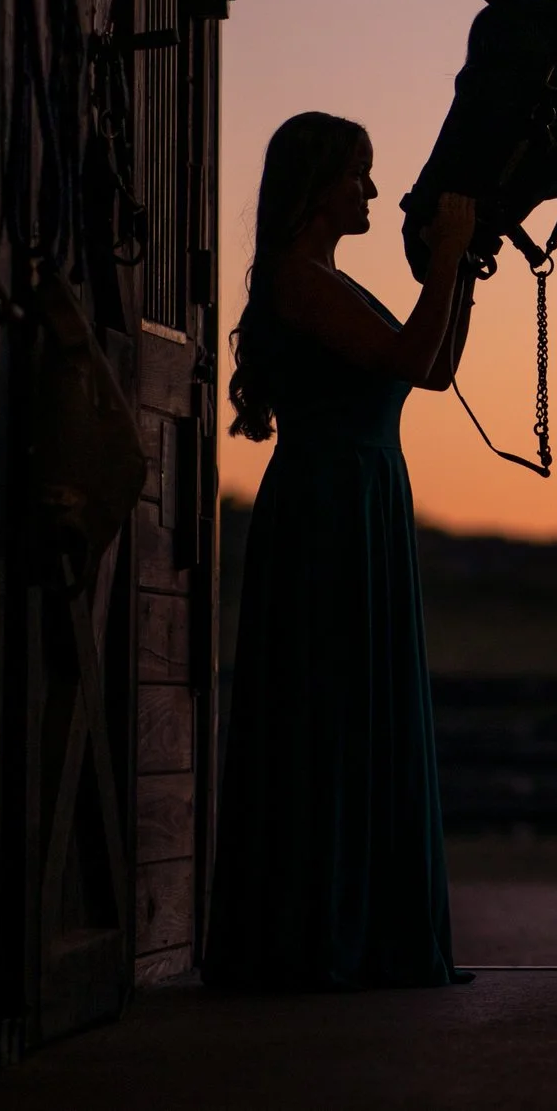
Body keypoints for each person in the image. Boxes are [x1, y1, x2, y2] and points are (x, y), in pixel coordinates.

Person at [204, 111, 481, 990]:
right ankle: (319, 932)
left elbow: (431, 369)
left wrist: (461, 267)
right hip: (328, 509)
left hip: (363, 499)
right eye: (358, 175)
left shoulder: (332, 280)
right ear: (316, 184)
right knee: (327, 705)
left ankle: (368, 929)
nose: (370, 190)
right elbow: (408, 353)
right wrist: (446, 256)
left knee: (360, 705)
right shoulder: (302, 280)